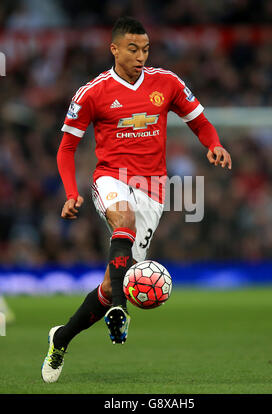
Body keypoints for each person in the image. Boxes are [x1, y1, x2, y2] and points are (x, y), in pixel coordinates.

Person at [41, 16, 232, 383]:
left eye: (145, 49)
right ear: (114, 49)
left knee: (114, 281)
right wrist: (70, 193)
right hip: (111, 178)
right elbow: (66, 149)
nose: (141, 56)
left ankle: (61, 337)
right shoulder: (92, 93)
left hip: (154, 190)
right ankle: (119, 310)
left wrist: (215, 144)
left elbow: (200, 121)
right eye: (132, 49)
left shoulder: (167, 83)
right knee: (122, 219)